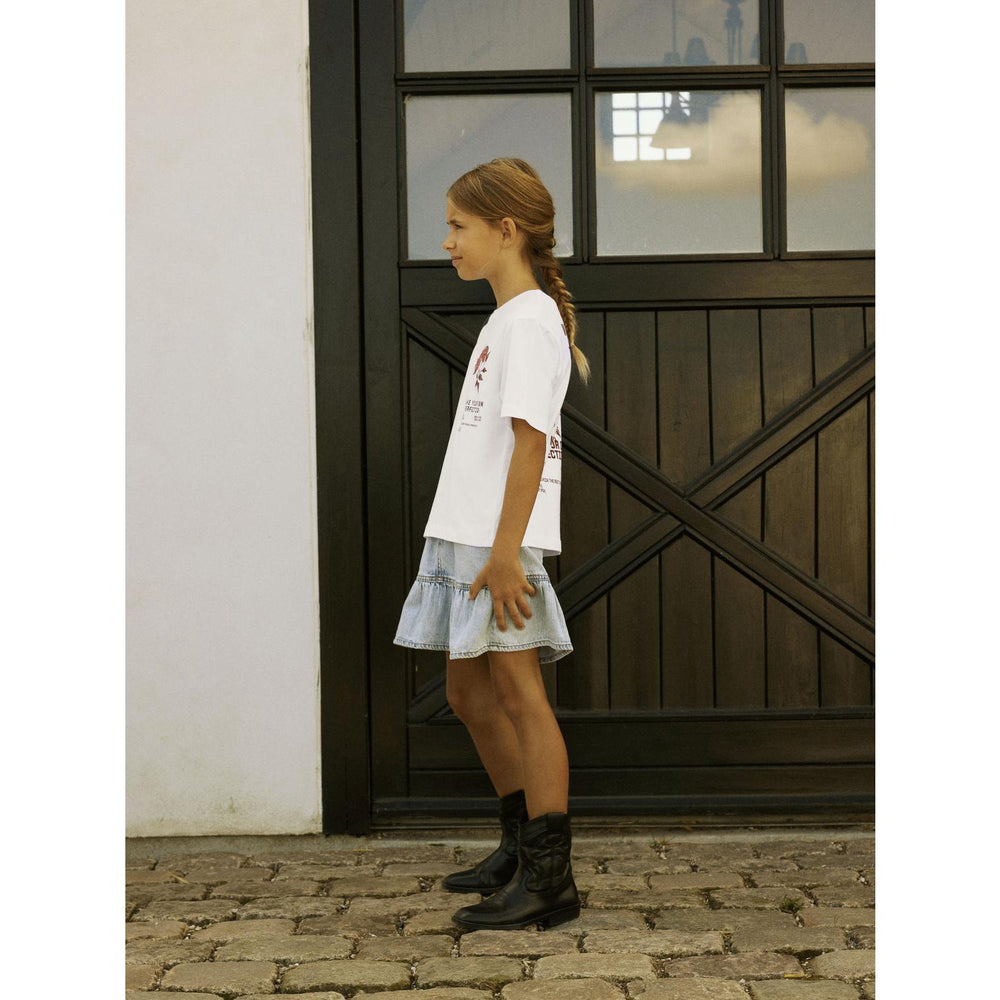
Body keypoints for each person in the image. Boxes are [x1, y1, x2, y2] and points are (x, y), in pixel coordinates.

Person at [394, 158, 590, 931]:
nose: (447, 242)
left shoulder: (532, 320)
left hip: (497, 544)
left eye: (458, 226)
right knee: (468, 695)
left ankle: (551, 880)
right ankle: (516, 845)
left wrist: (507, 553)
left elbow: (531, 445)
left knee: (518, 695)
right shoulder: (506, 319)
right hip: (466, 534)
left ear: (506, 230)